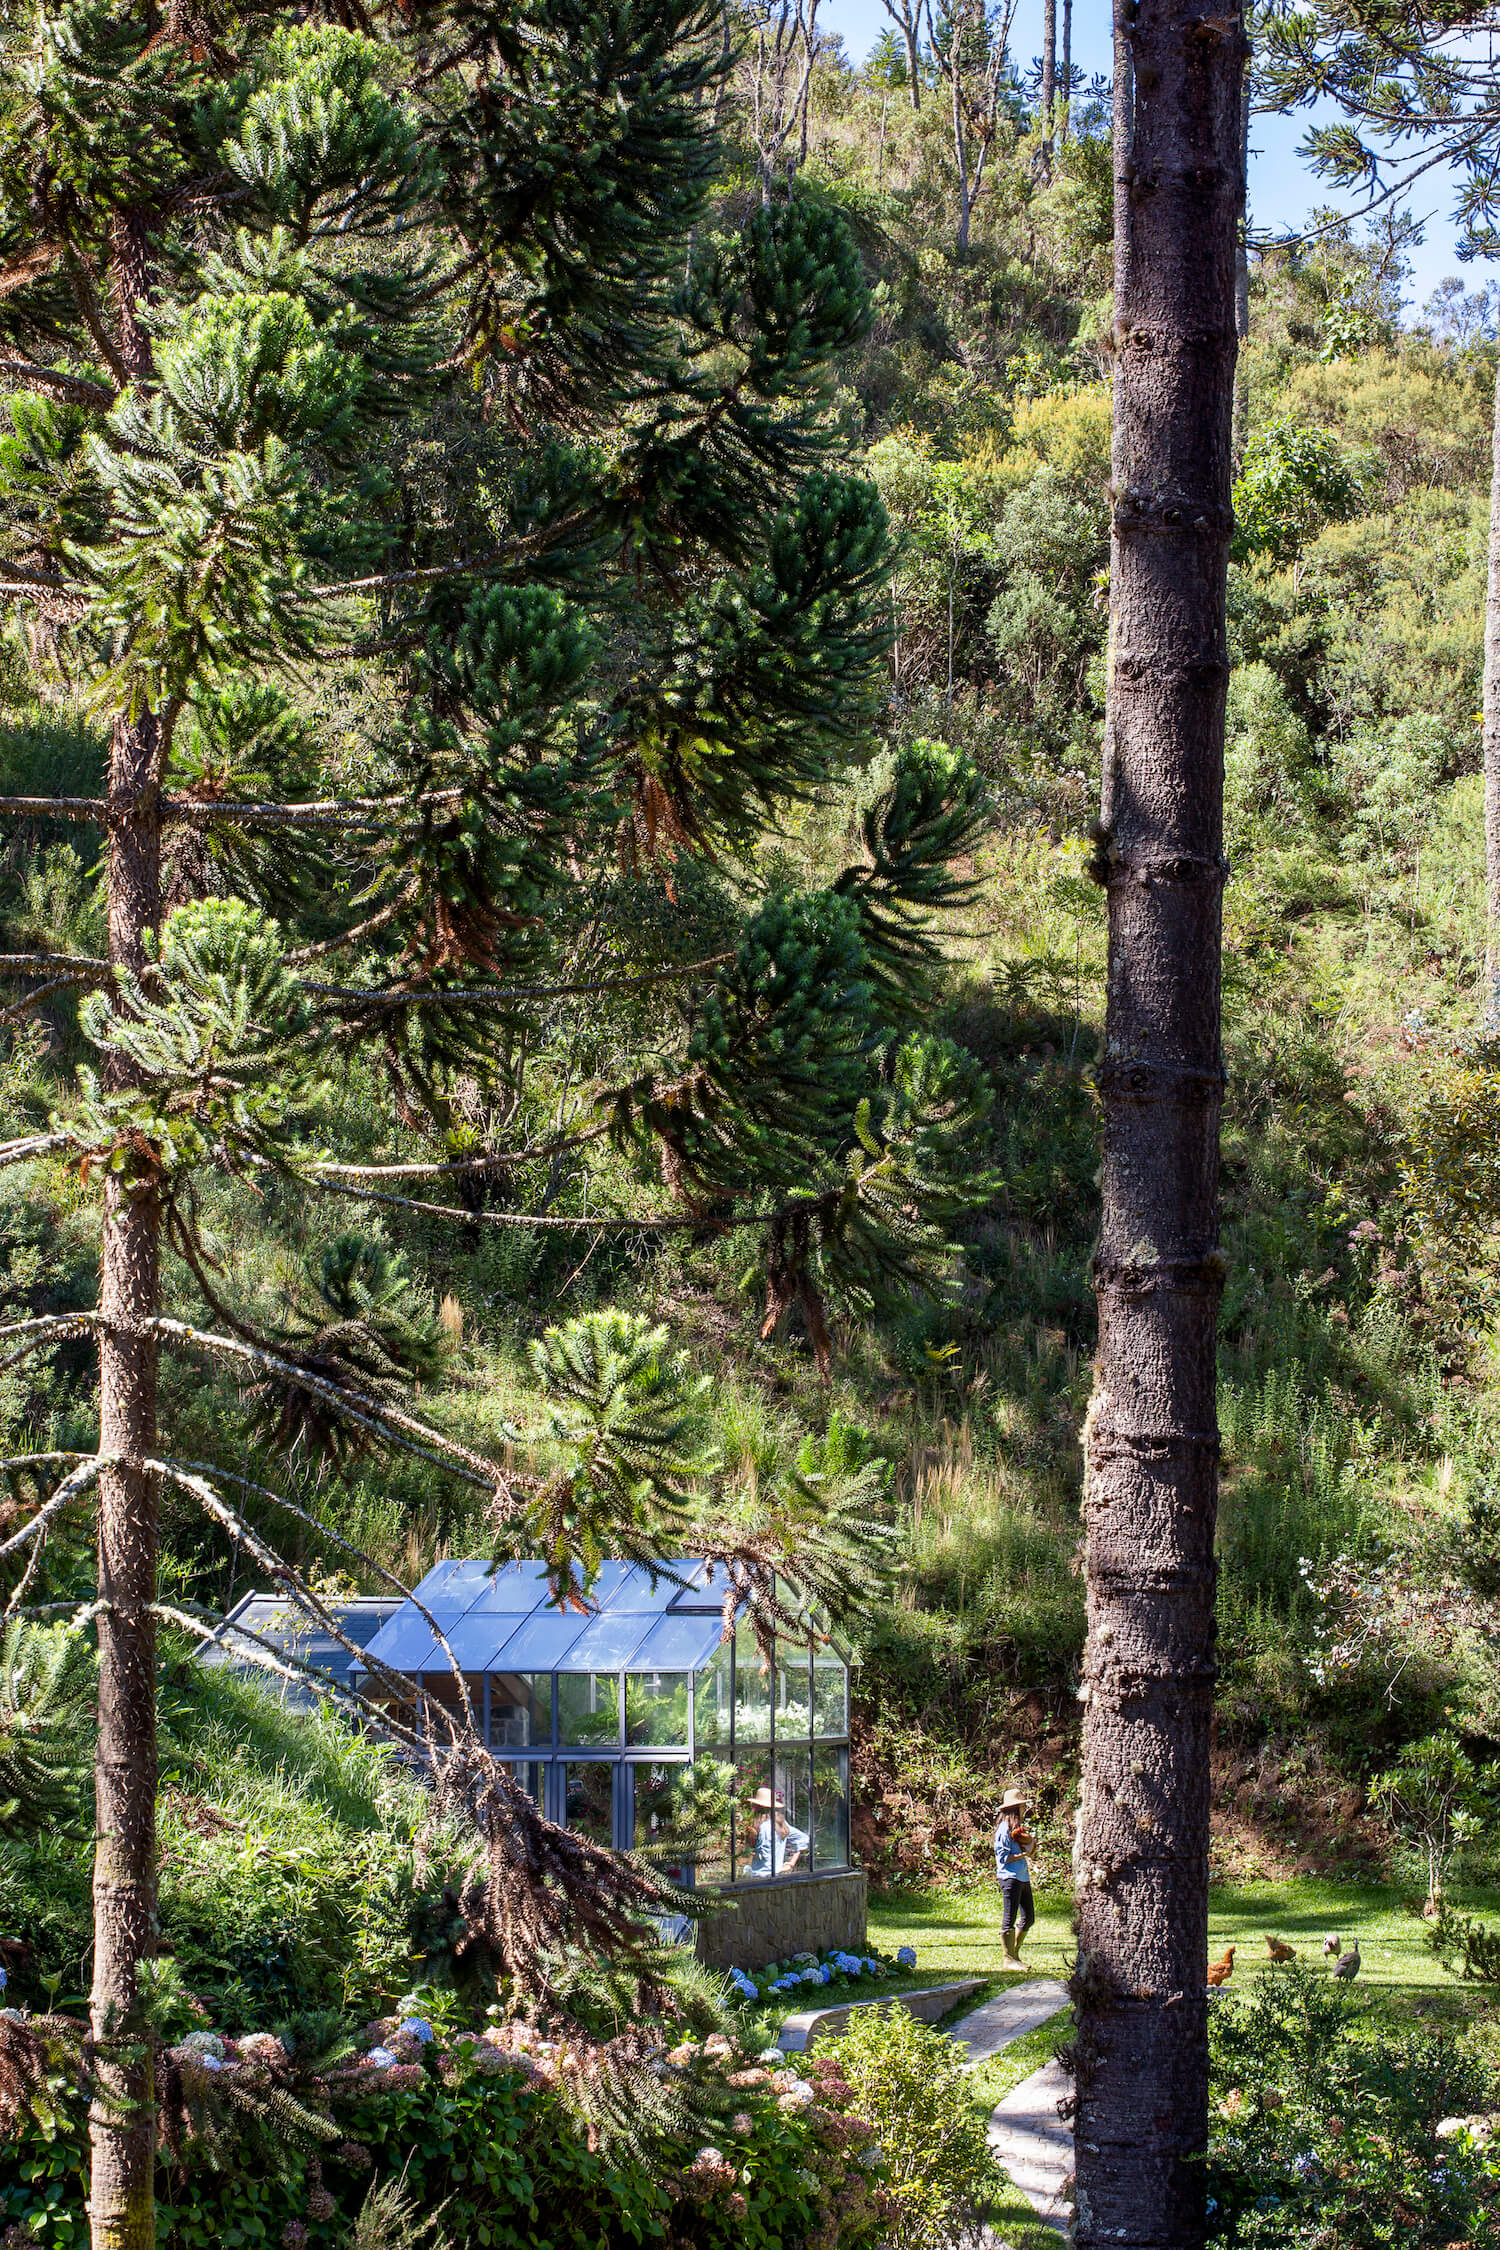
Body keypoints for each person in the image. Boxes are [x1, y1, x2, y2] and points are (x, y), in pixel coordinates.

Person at [993, 1785, 1035, 1967]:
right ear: (1014, 1809)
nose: (1024, 1809)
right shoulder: (1004, 1829)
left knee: (1029, 1917)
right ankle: (1008, 1959)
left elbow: (1025, 1851)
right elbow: (1002, 1858)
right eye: (1021, 1806)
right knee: (1009, 1918)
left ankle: (1014, 1954)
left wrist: (1031, 1846)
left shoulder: (1017, 1829)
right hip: (1010, 1878)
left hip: (1022, 1877)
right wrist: (1023, 1855)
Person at [745, 1786, 808, 1878]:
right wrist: (791, 1863)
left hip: (761, 1875)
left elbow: (763, 1853)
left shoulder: (764, 1826)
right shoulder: (781, 1824)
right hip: (776, 1873)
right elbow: (803, 1839)